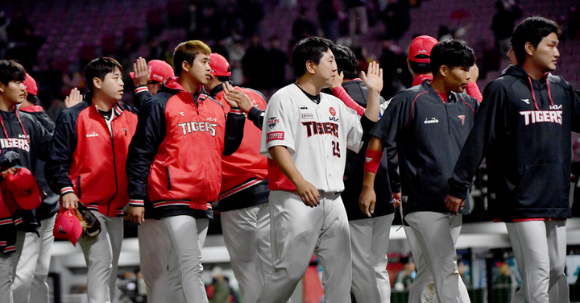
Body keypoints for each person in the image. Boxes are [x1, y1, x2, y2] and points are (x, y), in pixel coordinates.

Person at [445, 17, 580, 303]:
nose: (558, 52)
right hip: (520, 196)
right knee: (540, 271)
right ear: (530, 48)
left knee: (556, 270)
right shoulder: (502, 89)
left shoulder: (562, 89)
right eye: (551, 45)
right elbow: (477, 140)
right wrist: (459, 185)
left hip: (555, 195)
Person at [257, 36, 382, 303]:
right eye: (330, 60)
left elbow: (364, 134)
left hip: (334, 198)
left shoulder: (333, 103)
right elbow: (277, 146)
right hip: (295, 196)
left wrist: (374, 94)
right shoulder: (283, 98)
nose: (336, 66)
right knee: (290, 270)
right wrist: (300, 182)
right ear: (310, 66)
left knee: (341, 273)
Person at [126, 40, 245, 303]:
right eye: (204, 62)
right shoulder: (160, 104)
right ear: (185, 65)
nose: (210, 69)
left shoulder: (214, 105)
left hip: (203, 199)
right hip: (173, 196)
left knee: (180, 273)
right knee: (192, 266)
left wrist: (236, 113)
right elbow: (140, 152)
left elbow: (227, 148)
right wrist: (136, 197)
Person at [361, 40, 479, 303]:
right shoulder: (408, 99)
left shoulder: (469, 104)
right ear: (444, 70)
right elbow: (377, 140)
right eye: (463, 69)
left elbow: (489, 135)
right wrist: (368, 186)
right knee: (447, 268)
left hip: (457, 201)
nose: (469, 76)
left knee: (428, 271)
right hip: (422, 202)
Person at [45, 57, 138, 303]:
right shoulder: (73, 117)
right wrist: (65, 190)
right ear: (97, 82)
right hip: (87, 208)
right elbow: (56, 162)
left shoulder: (130, 115)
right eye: (115, 78)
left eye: (121, 77)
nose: (122, 83)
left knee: (109, 267)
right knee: (101, 263)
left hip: (118, 208)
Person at [327, 44, 395, 303]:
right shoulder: (379, 94)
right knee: (378, 266)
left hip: (356, 191)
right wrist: (395, 186)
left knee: (358, 267)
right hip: (385, 190)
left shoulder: (331, 99)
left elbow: (369, 126)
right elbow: (391, 144)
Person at [205, 52, 270, 303]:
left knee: (247, 269)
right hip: (270, 190)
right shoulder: (257, 96)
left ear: (209, 75)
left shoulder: (207, 106)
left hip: (237, 193)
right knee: (273, 268)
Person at [0, 60, 51, 303]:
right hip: (1, 214)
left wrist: (70, 119)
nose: (24, 88)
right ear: (1, 86)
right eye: (17, 82)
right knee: (4, 277)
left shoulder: (28, 122)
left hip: (26, 213)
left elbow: (55, 151)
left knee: (23, 276)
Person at [127, 57, 174, 303]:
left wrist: (141, 89)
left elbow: (142, 154)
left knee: (156, 274)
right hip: (186, 201)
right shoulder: (189, 105)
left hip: (159, 200)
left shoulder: (161, 106)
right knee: (181, 272)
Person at [12, 73, 58, 303]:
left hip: (26, 208)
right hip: (49, 206)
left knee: (17, 273)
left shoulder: (21, 121)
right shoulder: (49, 120)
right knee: (39, 274)